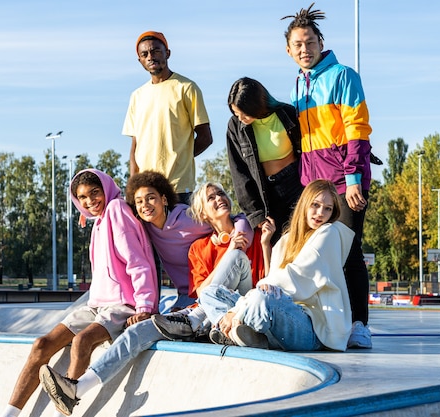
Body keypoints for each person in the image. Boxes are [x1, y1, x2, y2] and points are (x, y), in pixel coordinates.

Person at [38, 183, 275, 416]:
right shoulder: (198, 248)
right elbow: (201, 291)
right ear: (202, 214)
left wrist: (263, 244)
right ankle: (77, 389)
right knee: (137, 331)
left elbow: (265, 280)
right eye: (211, 198)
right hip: (204, 309)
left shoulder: (249, 232)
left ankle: (195, 322)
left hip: (242, 303)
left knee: (235, 256)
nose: (218, 199)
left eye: (221, 194)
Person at [0, 169, 158, 417]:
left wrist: (145, 307)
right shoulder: (99, 222)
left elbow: (137, 262)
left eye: (95, 193)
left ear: (105, 189)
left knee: (82, 341)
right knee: (42, 345)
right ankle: (8, 414)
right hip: (96, 305)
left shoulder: (116, 209)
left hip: (123, 305)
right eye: (82, 198)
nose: (89, 201)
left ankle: (65, 409)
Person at [282, 3, 373, 348]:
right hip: (314, 185)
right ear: (288, 51)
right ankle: (325, 321)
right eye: (297, 45)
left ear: (321, 42)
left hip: (344, 183)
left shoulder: (343, 76)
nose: (304, 50)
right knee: (314, 252)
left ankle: (360, 325)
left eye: (309, 42)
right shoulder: (298, 87)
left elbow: (357, 129)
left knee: (348, 252)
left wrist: (353, 179)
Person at [204, 179, 354, 352]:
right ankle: (245, 334)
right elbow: (271, 282)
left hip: (311, 330)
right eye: (315, 204)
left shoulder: (329, 233)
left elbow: (295, 277)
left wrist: (238, 310)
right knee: (211, 292)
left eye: (328, 208)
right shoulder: (286, 240)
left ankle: (232, 329)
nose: (320, 213)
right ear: (304, 204)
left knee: (262, 299)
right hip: (279, 318)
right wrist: (265, 245)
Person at [125, 171, 251, 311]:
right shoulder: (145, 228)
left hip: (213, 284)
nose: (145, 205)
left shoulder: (187, 219)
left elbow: (234, 218)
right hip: (185, 294)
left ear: (164, 200)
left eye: (151, 198)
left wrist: (231, 238)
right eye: (139, 202)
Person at [123, 31, 213, 205]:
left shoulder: (187, 88)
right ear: (140, 60)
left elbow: (205, 137)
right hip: (146, 190)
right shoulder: (137, 96)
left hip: (178, 189)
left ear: (167, 53)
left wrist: (182, 159)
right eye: (144, 54)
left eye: (156, 51)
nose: (150, 57)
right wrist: (132, 188)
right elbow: (135, 147)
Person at [226, 77, 303, 245]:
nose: (240, 118)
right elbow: (239, 174)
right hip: (266, 194)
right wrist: (256, 214)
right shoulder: (234, 127)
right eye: (236, 113)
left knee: (302, 244)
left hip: (296, 186)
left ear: (256, 104)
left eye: (244, 113)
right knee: (277, 249)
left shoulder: (288, 114)